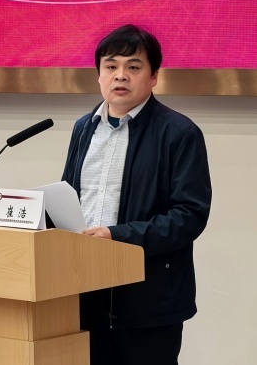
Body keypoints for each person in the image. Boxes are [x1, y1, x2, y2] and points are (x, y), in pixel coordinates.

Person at [61, 24, 211, 365]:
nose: (120, 75)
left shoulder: (179, 133)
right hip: (85, 293)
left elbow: (189, 216)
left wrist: (117, 236)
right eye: (111, 66)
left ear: (154, 76)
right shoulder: (83, 129)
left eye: (133, 66)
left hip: (148, 299)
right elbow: (70, 197)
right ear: (99, 75)